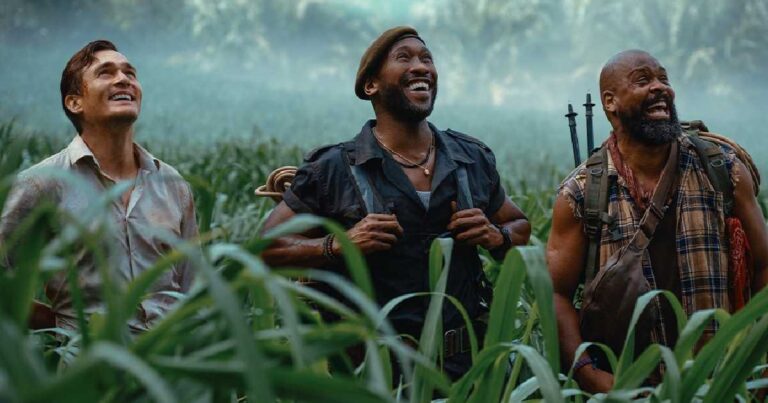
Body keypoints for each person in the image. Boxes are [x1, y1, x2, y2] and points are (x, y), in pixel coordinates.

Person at [260, 26, 530, 379]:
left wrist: (496, 236)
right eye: (404, 58)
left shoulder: (471, 158)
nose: (421, 67)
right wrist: (340, 244)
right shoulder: (333, 168)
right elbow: (266, 248)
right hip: (371, 374)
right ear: (371, 85)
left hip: (464, 372)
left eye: (427, 59)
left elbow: (519, 226)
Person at [547, 49, 767, 393]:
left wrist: (754, 359)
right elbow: (556, 295)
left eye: (664, 78)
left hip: (718, 380)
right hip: (627, 386)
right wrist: (589, 375)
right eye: (643, 80)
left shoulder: (723, 170)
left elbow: (765, 264)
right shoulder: (581, 193)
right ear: (610, 102)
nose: (661, 87)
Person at [0, 40, 199, 332]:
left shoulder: (172, 184)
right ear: (75, 102)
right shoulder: (42, 183)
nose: (124, 79)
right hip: (85, 355)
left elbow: (192, 284)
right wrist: (62, 328)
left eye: (130, 73)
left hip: (171, 353)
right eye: (106, 72)